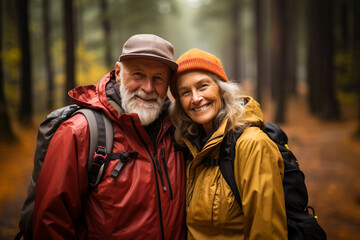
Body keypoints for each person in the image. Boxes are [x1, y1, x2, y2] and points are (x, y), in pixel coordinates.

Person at [33, 34, 186, 240]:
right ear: (118, 73)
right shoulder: (80, 132)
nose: (148, 88)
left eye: (158, 78)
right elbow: (51, 225)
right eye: (138, 75)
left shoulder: (177, 132)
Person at [169, 48, 287, 239]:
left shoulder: (252, 144)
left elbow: (267, 232)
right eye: (185, 92)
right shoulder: (189, 147)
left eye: (202, 86)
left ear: (221, 89)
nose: (196, 98)